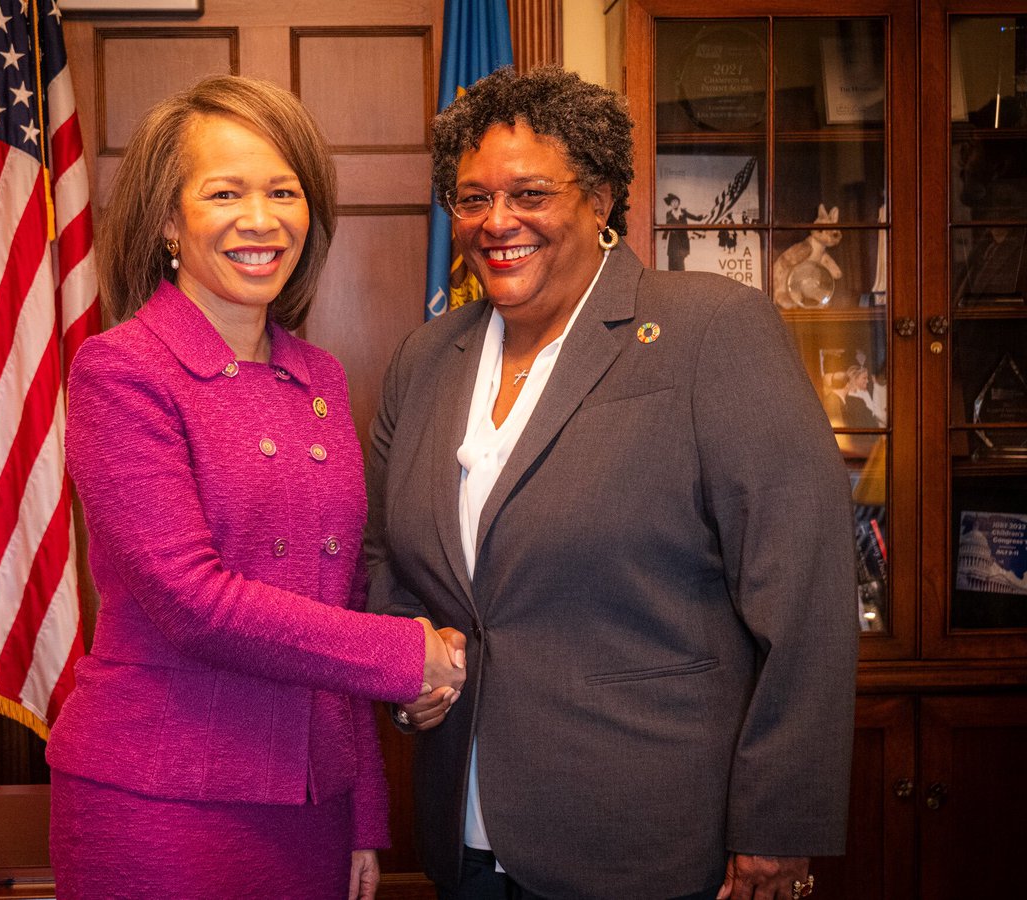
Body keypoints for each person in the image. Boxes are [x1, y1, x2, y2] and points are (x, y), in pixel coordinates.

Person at [365, 66, 857, 900]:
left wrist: (778, 823)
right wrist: (400, 667)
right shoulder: (426, 359)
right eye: (473, 197)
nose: (497, 221)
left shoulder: (711, 331)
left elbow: (806, 591)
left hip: (647, 842)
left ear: (601, 197)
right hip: (464, 839)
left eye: (529, 193)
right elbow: (388, 554)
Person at [45, 75, 466, 900]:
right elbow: (191, 601)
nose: (261, 219)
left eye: (284, 190)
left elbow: (339, 601)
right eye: (225, 192)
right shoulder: (121, 370)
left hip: (313, 808)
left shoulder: (320, 378)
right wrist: (408, 653)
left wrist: (365, 817)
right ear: (169, 218)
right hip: (158, 801)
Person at [663, 191, 703, 271]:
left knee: (680, 261)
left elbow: (693, 217)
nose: (674, 203)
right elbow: (667, 227)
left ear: (678, 202)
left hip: (682, 239)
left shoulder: (683, 212)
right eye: (672, 202)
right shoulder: (668, 214)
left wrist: (699, 218)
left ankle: (681, 280)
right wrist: (664, 239)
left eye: (676, 201)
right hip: (673, 239)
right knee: (672, 259)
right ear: (670, 204)